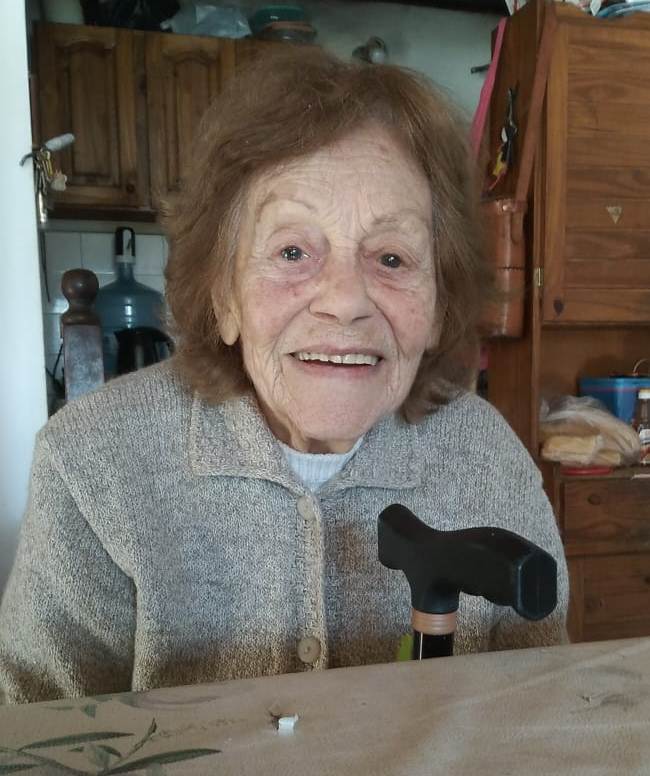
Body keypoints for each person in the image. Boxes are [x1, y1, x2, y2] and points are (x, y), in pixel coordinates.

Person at [0, 47, 568, 705]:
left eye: (391, 258)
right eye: (293, 251)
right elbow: (40, 736)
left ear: (440, 306)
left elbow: (543, 711)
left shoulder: (488, 458)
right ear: (224, 296)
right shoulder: (92, 461)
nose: (345, 301)